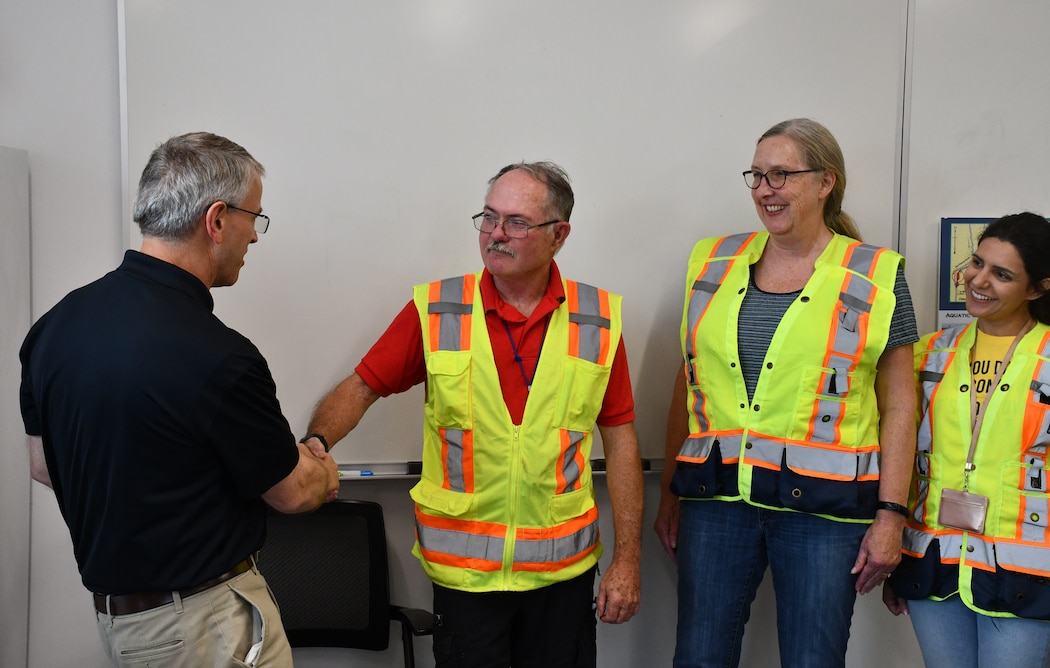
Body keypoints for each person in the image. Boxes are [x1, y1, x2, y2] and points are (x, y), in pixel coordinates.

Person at [304, 161, 643, 668]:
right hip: (466, 582)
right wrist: (315, 446)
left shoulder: (596, 319)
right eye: (488, 218)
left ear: (559, 235)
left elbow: (620, 441)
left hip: (562, 579)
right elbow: (359, 388)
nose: (496, 235)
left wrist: (628, 561)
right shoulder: (438, 309)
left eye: (516, 222)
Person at [19, 132, 340, 667]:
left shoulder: (52, 329)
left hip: (127, 627)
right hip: (204, 626)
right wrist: (322, 471)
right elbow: (293, 494)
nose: (255, 239)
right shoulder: (220, 356)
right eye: (253, 219)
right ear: (216, 221)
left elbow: (44, 466)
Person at [653, 118, 919, 668]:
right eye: (757, 175)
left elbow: (899, 404)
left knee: (812, 660)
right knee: (699, 657)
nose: (765, 189)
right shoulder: (713, 261)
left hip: (825, 509)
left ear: (825, 182)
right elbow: (690, 378)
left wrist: (892, 515)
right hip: (718, 500)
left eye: (782, 174)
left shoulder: (875, 274)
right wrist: (670, 494)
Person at [884, 213, 1050, 668]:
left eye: (1002, 274)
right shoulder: (928, 353)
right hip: (933, 560)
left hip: (1026, 572)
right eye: (977, 262)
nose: (978, 280)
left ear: (1036, 289)